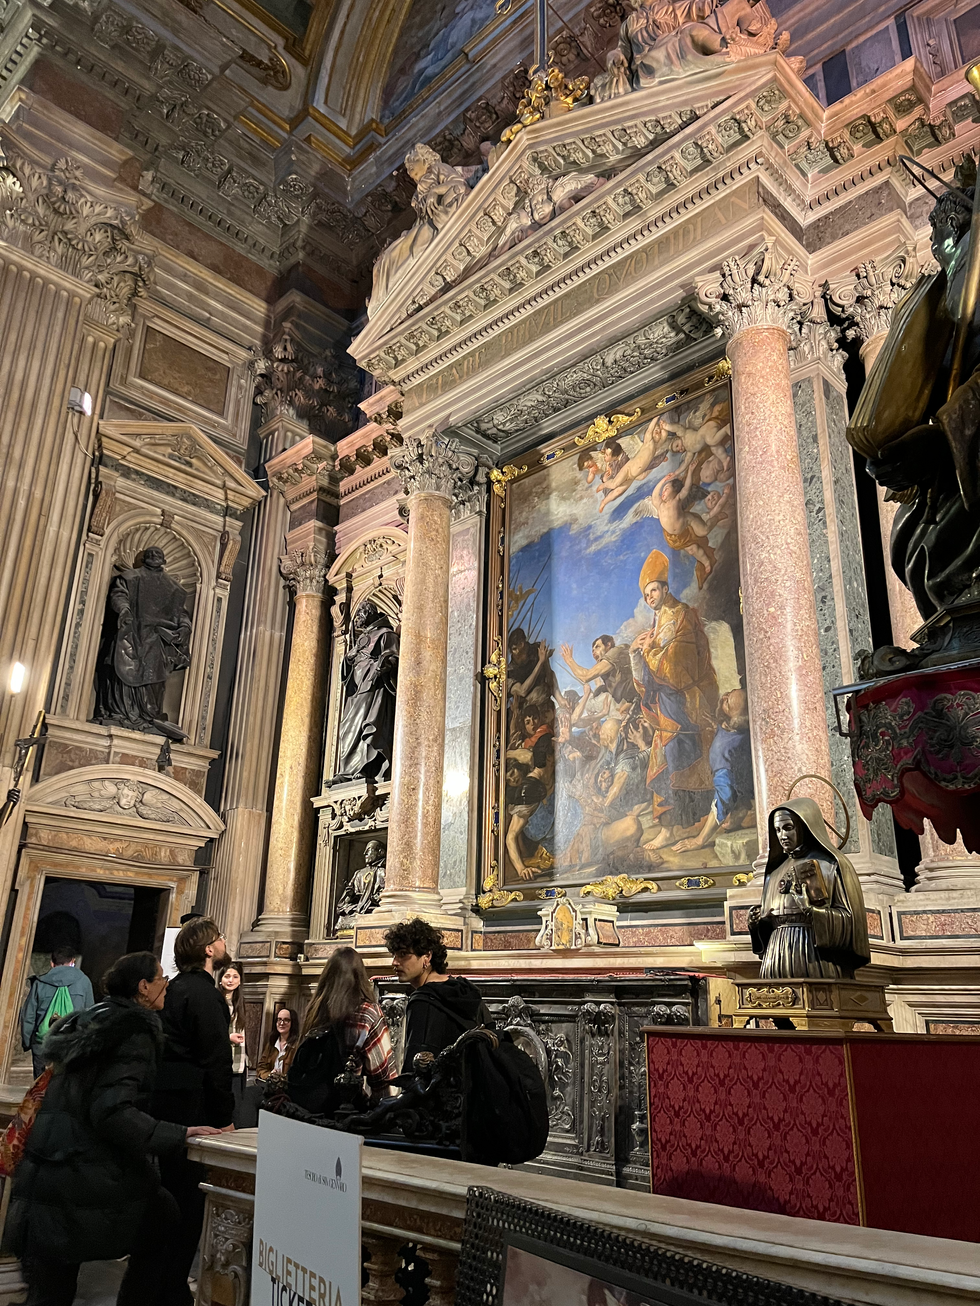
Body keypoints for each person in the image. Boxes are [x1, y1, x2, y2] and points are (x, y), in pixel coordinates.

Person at [7, 951, 218, 1306]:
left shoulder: (90, 1020)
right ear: (143, 987)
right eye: (160, 978)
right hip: (84, 1168)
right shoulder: (134, 1031)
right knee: (163, 1218)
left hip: (48, 1165)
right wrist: (178, 1134)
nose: (166, 984)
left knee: (52, 1284)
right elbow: (112, 1111)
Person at [149, 917, 233, 1306]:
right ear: (208, 950)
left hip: (163, 1107)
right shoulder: (204, 994)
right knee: (187, 1202)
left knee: (166, 1198)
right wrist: (224, 1118)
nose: (224, 940)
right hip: (192, 1110)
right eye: (219, 938)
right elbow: (216, 1059)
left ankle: (159, 1282)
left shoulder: (172, 989)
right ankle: (172, 1288)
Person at [630, 549, 718, 850]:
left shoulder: (682, 616)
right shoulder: (655, 627)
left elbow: (681, 662)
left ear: (665, 589)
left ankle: (690, 823)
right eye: (646, 594)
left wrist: (648, 654)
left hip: (686, 703)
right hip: (665, 706)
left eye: (653, 590)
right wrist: (635, 654)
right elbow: (648, 678)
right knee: (662, 760)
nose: (650, 596)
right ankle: (668, 828)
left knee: (677, 758)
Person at [748, 798, 870, 981]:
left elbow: (851, 923)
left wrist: (811, 911)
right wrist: (756, 924)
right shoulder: (773, 873)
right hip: (775, 956)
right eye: (778, 830)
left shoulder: (831, 866)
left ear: (805, 826)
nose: (782, 835)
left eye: (788, 827)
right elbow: (768, 927)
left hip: (813, 956)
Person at [287, 948, 397, 1116]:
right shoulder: (367, 1013)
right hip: (346, 1111)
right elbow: (383, 1078)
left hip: (308, 1109)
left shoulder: (315, 1009)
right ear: (360, 976)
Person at [384, 919, 491, 1072]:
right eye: (394, 955)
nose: (395, 962)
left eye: (403, 954)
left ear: (427, 957)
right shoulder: (467, 990)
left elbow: (417, 1069)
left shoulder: (422, 1001)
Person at [20, 946, 94, 1079]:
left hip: (42, 1043)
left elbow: (28, 1015)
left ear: (52, 963)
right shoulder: (84, 982)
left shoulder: (39, 983)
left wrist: (28, 1042)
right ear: (73, 961)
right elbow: (89, 1015)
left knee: (40, 1087)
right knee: (64, 1085)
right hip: (71, 1045)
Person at [217, 962, 250, 1125]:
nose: (231, 980)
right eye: (227, 976)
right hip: (223, 1061)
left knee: (236, 1108)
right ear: (220, 979)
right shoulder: (217, 1001)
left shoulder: (239, 1002)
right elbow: (211, 1030)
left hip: (239, 1063)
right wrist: (228, 1037)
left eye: (235, 977)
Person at [256, 1007, 299, 1080]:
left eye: (286, 1020)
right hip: (271, 1085)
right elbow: (261, 1067)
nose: (282, 1023)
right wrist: (270, 1075)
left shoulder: (297, 1045)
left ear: (293, 1023)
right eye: (279, 1019)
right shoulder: (272, 1043)